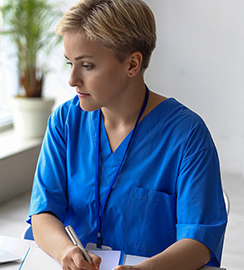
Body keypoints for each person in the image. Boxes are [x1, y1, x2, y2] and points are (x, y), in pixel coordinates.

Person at [26, 0, 228, 269]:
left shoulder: (187, 136)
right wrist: (66, 252)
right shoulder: (65, 122)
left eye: (86, 66)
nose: (72, 79)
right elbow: (43, 212)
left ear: (132, 64)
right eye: (70, 63)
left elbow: (200, 241)